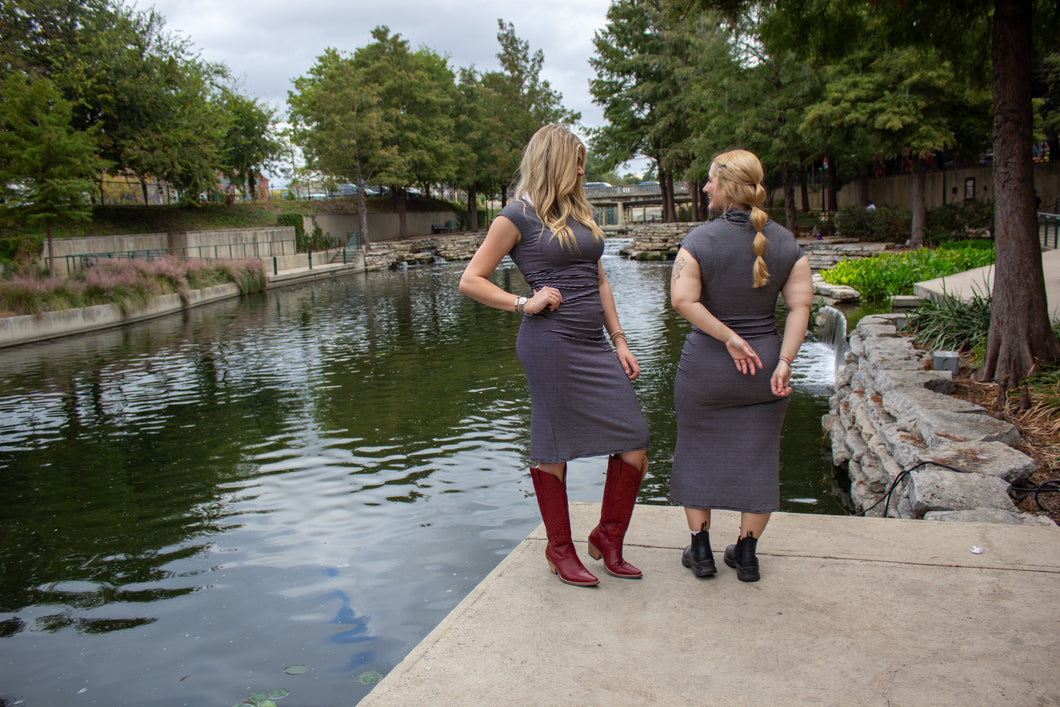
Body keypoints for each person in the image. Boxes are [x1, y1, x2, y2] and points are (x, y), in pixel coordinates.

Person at [459, 124, 650, 587]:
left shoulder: (579, 213)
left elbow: (600, 280)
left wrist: (620, 340)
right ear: (556, 162)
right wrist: (524, 302)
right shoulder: (516, 217)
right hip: (550, 344)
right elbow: (471, 279)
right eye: (577, 161)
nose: (583, 169)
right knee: (553, 445)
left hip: (593, 343)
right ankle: (559, 549)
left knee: (635, 440)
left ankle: (608, 536)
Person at [668, 149, 813, 583]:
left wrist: (728, 337)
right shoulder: (787, 242)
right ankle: (746, 555)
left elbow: (682, 301)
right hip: (766, 371)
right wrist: (785, 361)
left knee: (695, 454)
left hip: (707, 370)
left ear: (727, 186)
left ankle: (701, 552)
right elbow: (801, 307)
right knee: (759, 459)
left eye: (710, 181)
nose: (706, 188)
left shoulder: (698, 241)